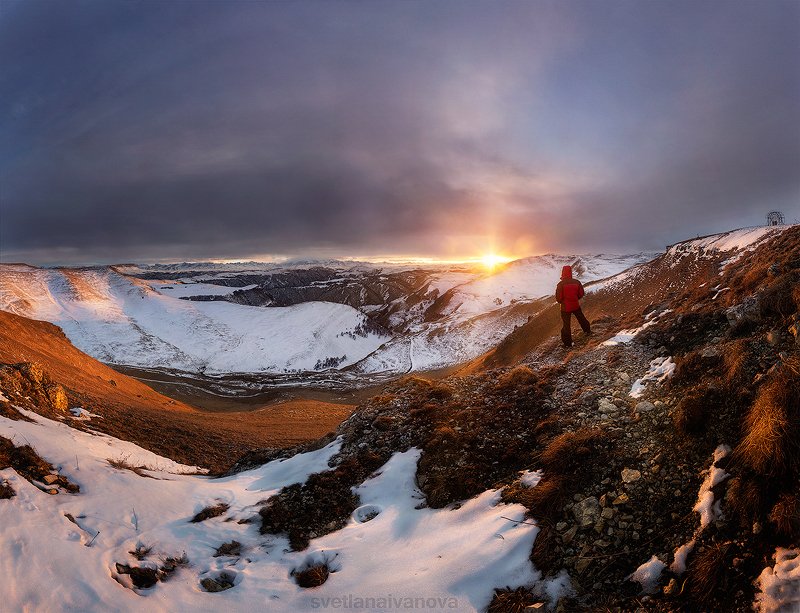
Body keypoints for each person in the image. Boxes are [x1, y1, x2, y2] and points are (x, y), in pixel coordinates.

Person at [555, 265, 591, 348]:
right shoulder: (577, 282)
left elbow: (558, 298)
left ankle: (568, 343)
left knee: (566, 325)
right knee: (581, 318)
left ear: (563, 273)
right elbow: (581, 294)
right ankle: (587, 331)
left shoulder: (560, 284)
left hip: (565, 308)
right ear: (571, 272)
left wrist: (563, 302)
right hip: (575, 305)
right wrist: (575, 299)